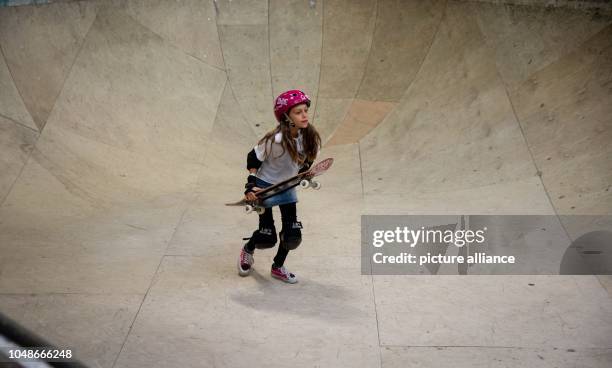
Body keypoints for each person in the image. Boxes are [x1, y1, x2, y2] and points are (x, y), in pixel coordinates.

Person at [237, 90, 321, 283]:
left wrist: (304, 173)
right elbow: (253, 158)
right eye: (298, 112)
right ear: (286, 116)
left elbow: (308, 160)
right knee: (267, 237)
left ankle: (277, 267)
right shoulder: (274, 140)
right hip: (265, 187)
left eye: (305, 110)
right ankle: (248, 249)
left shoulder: (310, 137)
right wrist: (250, 186)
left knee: (292, 236)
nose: (304, 115)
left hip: (287, 186)